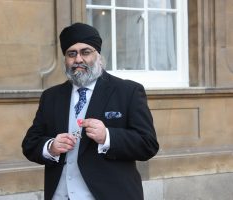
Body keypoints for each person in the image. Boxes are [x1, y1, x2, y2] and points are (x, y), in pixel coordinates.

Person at [22, 22, 159, 200]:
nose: (78, 59)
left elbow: (148, 144)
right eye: (72, 54)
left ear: (98, 56)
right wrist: (51, 147)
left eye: (85, 52)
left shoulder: (128, 91)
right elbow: (30, 144)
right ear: (65, 59)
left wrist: (107, 136)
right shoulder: (51, 96)